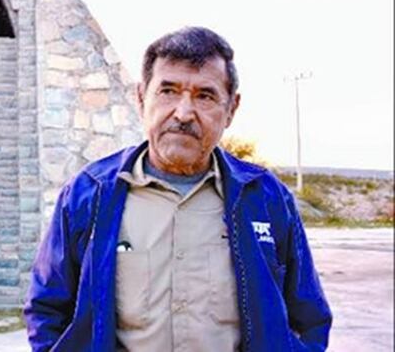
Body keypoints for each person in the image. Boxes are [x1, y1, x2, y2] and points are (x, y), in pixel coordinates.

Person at [24, 26, 331, 352]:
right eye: (168, 91)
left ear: (231, 109)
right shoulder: (88, 195)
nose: (183, 113)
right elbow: (47, 310)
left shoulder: (266, 199)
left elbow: (309, 320)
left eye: (205, 96)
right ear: (141, 98)